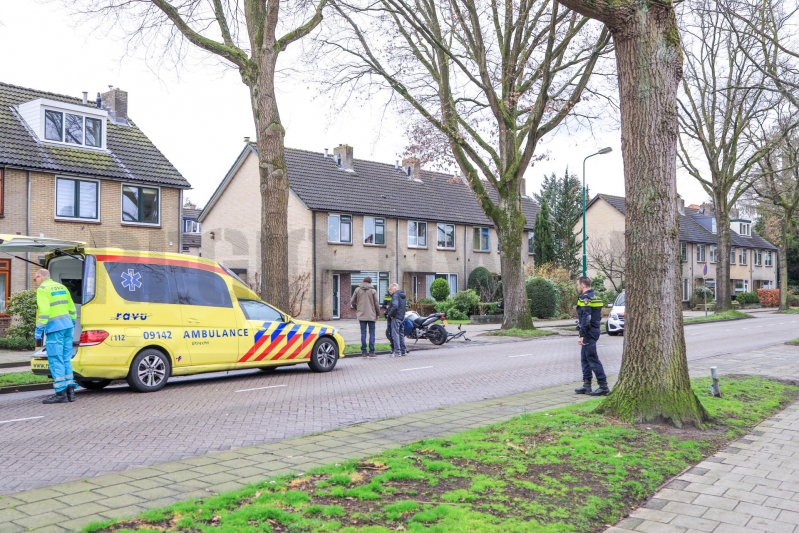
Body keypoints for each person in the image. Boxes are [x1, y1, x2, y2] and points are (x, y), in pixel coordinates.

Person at [34, 269, 78, 404]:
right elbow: (72, 307)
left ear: (40, 277)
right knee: (65, 358)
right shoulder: (61, 286)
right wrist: (73, 321)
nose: (35, 281)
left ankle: (60, 394)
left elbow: (45, 310)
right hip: (68, 327)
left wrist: (40, 327)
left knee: (55, 359)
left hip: (55, 328)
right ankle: (70, 392)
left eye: (35, 278)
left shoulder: (42, 289)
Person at [574, 276, 609, 396]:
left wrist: (581, 334)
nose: (577, 287)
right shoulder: (596, 297)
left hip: (588, 332)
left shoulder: (586, 298)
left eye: (578, 285)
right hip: (594, 330)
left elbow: (586, 317)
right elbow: (598, 316)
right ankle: (586, 385)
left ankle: (603, 386)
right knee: (585, 358)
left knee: (592, 358)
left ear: (582, 285)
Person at [351, 276, 381, 358]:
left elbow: (352, 301)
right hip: (371, 315)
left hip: (361, 315)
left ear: (363, 281)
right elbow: (376, 304)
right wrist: (377, 314)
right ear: (370, 282)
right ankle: (371, 352)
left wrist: (357, 308)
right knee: (372, 333)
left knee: (363, 334)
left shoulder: (357, 290)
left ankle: (364, 352)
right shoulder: (373, 291)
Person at [386, 283, 408, 357]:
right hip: (402, 317)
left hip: (396, 317)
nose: (390, 292)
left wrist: (391, 314)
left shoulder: (395, 295)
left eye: (390, 290)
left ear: (394, 289)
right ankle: (403, 350)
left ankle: (397, 352)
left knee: (395, 334)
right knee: (401, 334)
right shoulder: (402, 295)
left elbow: (395, 306)